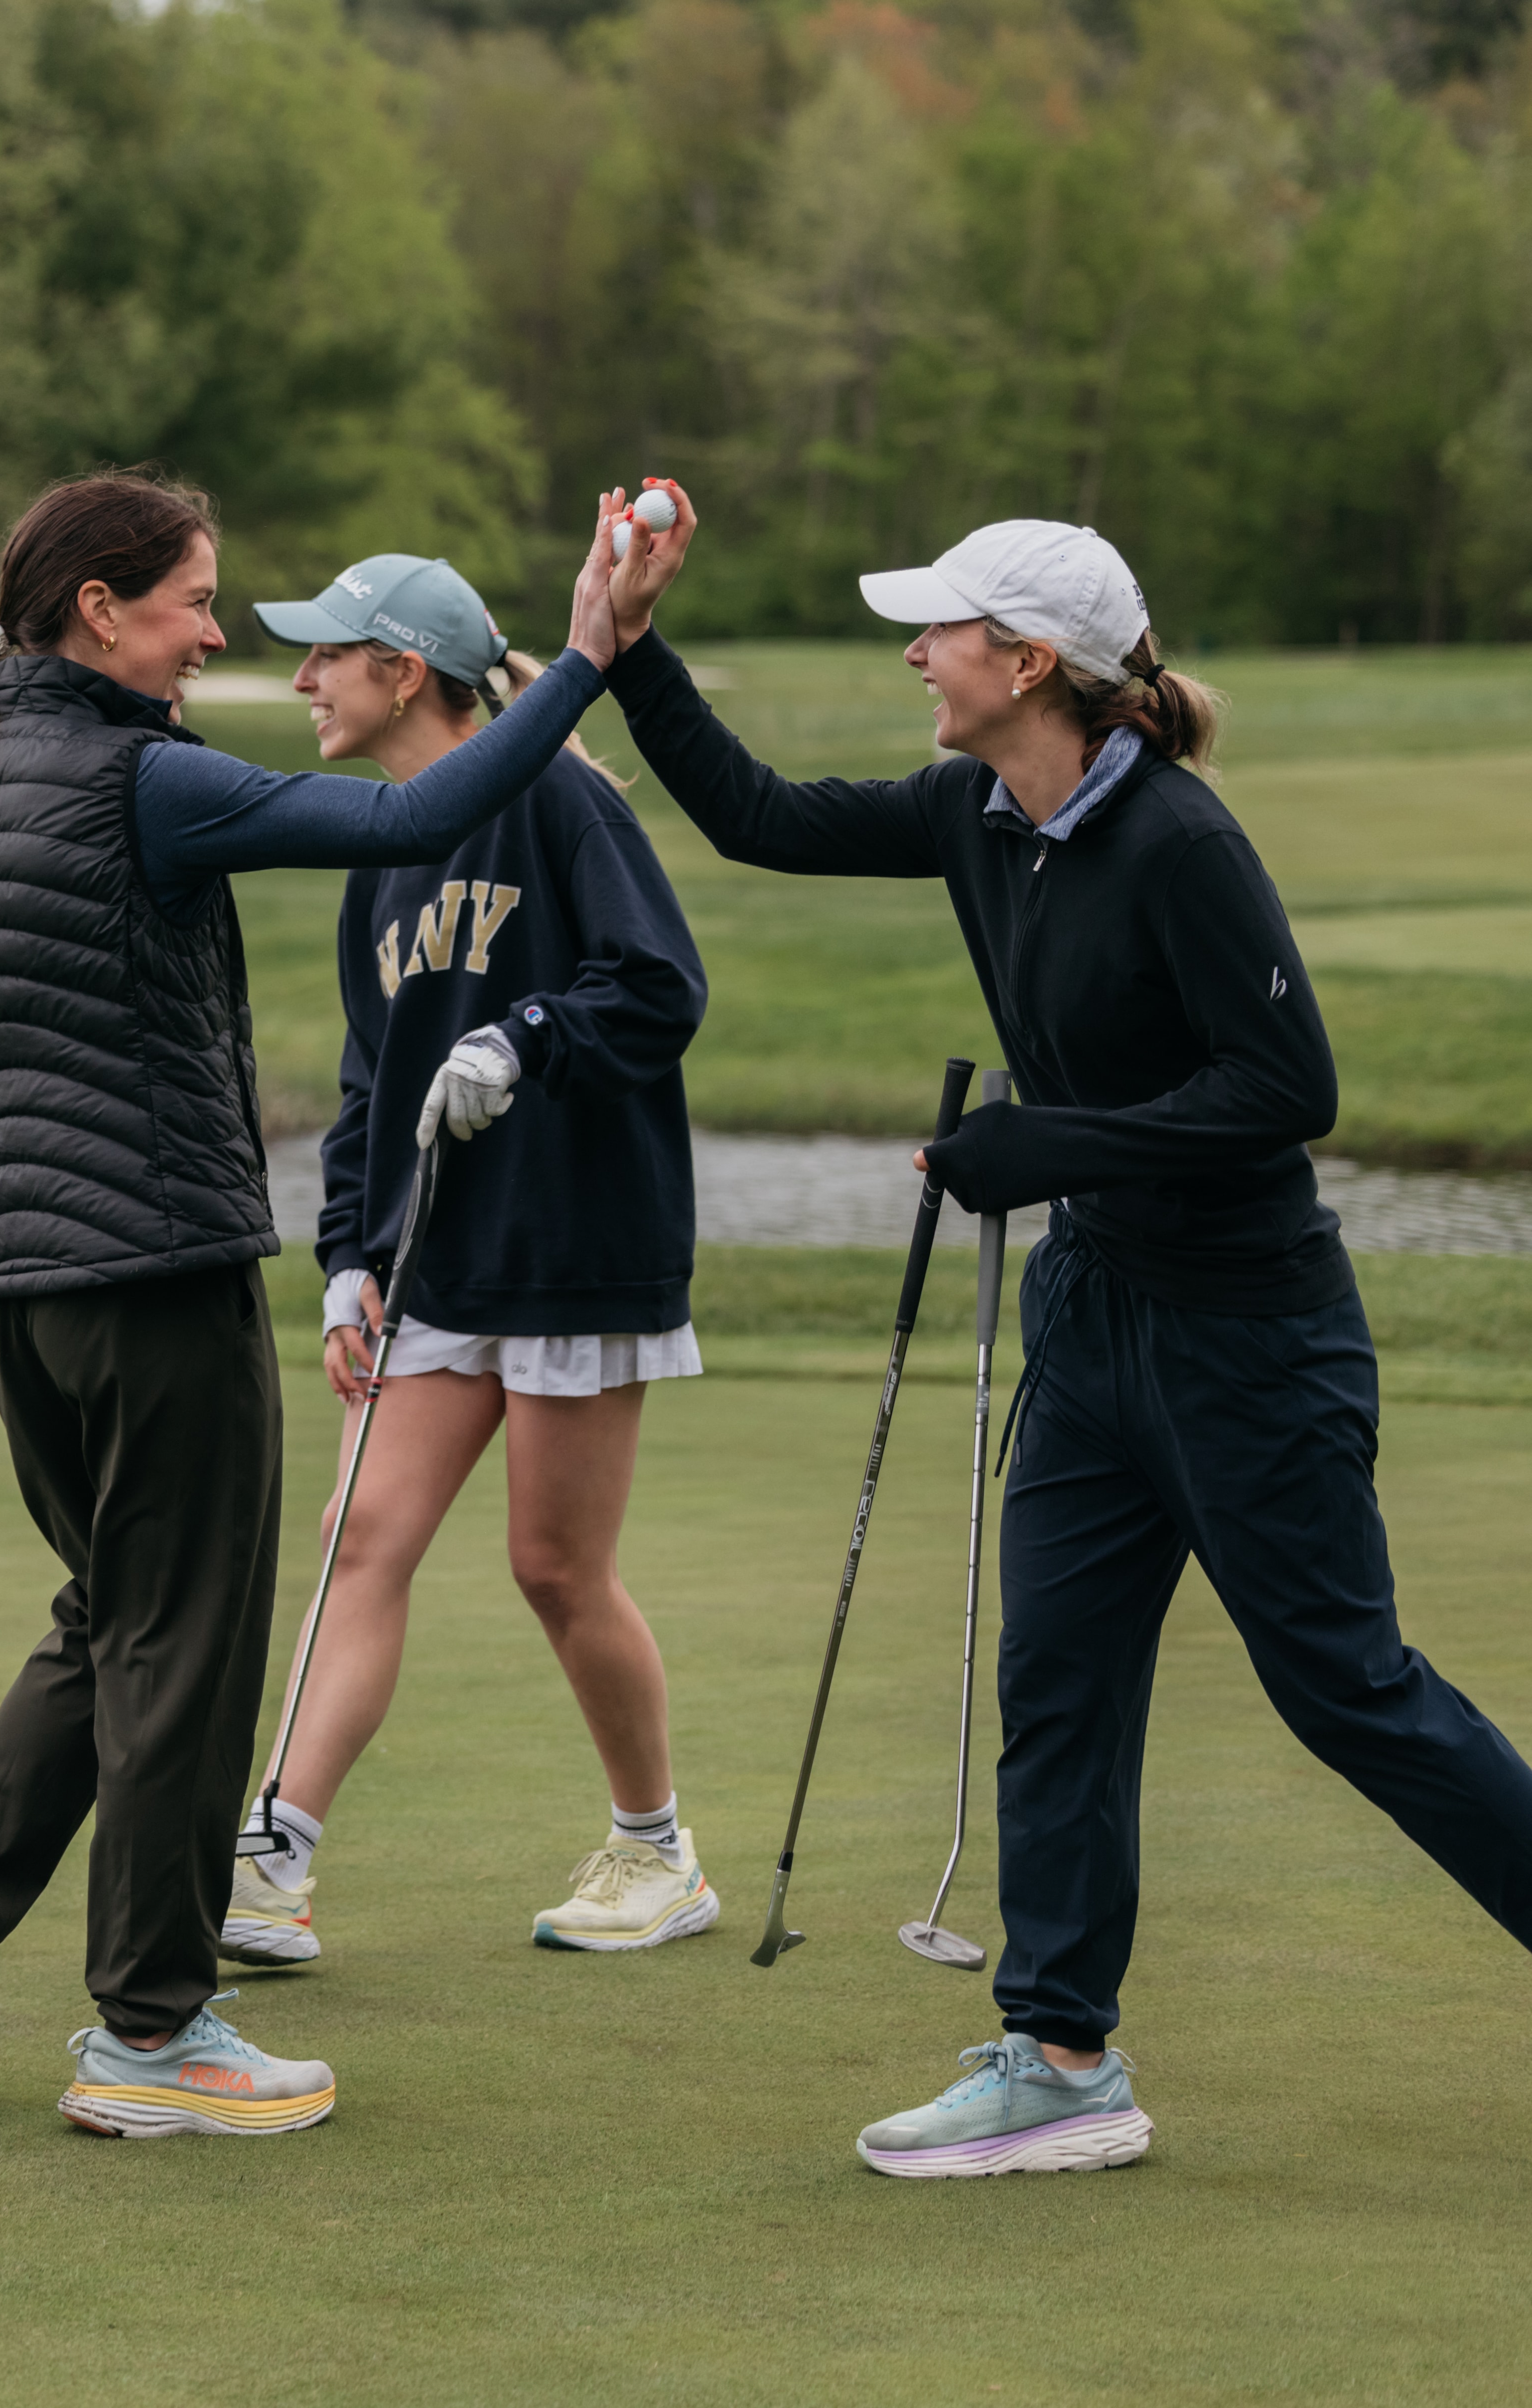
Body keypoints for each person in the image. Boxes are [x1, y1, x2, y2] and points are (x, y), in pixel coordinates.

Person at [596, 490, 1532, 2177]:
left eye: (940, 630)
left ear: (1029, 663)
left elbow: (1287, 1089)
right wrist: (632, 647)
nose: (915, 652)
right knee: (1062, 1680)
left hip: (1251, 1334)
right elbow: (759, 819)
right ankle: (1062, 2053)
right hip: (1094, 1318)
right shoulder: (978, 806)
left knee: (1351, 1693)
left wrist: (1047, 1143)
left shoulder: (1179, 843)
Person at [0, 474, 623, 2138]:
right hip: (156, 1273)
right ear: (101, 611)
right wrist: (583, 661)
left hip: (24, 1294)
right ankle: (152, 2034)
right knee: (189, 1639)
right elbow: (415, 820)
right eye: (195, 602)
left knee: (116, 1611)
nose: (215, 634)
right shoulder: (145, 781)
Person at [219, 552, 717, 1966]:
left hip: (576, 1246)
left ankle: (656, 1849)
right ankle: (275, 1859)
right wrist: (343, 1260)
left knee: (556, 1569)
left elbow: (661, 987)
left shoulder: (559, 794)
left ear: (406, 672)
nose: (305, 681)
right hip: (434, 1266)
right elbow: (372, 1087)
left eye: (329, 656)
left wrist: (527, 1039)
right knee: (355, 1537)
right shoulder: (383, 846)